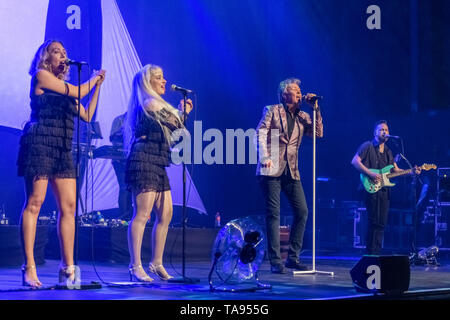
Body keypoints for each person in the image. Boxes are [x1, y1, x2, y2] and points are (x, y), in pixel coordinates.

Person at [17, 40, 105, 287]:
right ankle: (29, 267)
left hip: (62, 147)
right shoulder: (41, 75)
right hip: (41, 141)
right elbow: (77, 92)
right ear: (46, 57)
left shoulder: (66, 87)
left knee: (68, 207)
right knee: (35, 203)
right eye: (57, 51)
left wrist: (97, 85)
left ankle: (67, 268)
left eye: (65, 52)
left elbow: (86, 115)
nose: (63, 55)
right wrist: (92, 79)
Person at [124, 64, 193, 282]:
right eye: (159, 78)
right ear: (148, 82)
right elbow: (175, 122)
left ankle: (156, 263)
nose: (164, 81)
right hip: (144, 159)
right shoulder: (150, 103)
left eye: (163, 77)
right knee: (142, 214)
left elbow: (176, 128)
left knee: (166, 214)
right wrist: (184, 113)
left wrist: (183, 114)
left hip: (158, 160)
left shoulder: (157, 104)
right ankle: (135, 265)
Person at [256, 77, 323, 274]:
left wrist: (316, 110)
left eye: (300, 91)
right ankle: (276, 261)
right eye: (296, 91)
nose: (300, 94)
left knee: (302, 211)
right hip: (271, 167)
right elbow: (259, 133)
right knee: (274, 214)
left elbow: (318, 134)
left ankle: (292, 258)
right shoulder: (272, 110)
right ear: (285, 94)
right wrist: (264, 155)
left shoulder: (303, 115)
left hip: (291, 170)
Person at [351, 120, 421, 255]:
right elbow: (355, 161)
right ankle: (369, 254)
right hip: (370, 187)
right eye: (381, 129)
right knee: (373, 221)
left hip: (384, 190)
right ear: (375, 132)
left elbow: (395, 170)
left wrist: (411, 171)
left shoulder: (389, 152)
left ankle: (375, 253)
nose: (385, 132)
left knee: (381, 223)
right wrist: (370, 173)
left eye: (387, 130)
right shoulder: (368, 146)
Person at [109, 112, 132, 220]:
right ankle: (123, 216)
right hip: (119, 160)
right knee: (124, 188)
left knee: (133, 189)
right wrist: (121, 131)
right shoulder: (119, 119)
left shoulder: (137, 119)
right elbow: (112, 138)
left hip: (133, 158)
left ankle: (132, 215)